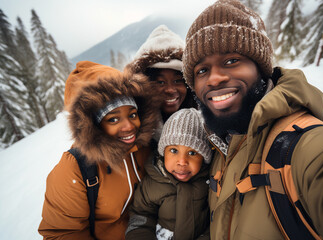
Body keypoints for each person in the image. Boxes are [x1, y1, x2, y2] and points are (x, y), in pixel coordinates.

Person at [182, 0, 323, 239]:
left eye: (231, 61)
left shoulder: (306, 149)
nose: (214, 79)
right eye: (202, 70)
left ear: (261, 69)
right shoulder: (219, 145)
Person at [38, 61, 160, 240]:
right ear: (92, 125)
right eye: (113, 119)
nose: (129, 126)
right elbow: (62, 233)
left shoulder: (146, 145)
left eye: (132, 114)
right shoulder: (75, 170)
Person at [125, 108, 212, 240]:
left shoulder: (209, 183)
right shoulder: (153, 183)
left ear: (204, 158)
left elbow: (216, 222)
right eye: (173, 150)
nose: (182, 162)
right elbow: (141, 217)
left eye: (192, 153)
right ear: (163, 152)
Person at [125, 24, 197, 127]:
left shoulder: (207, 124)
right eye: (160, 82)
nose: (170, 90)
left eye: (177, 81)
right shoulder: (131, 128)